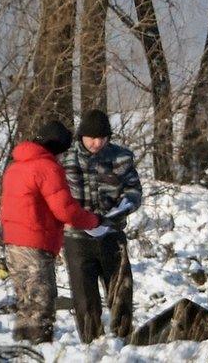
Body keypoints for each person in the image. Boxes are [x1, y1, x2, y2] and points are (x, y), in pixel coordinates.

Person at [0, 120, 101, 344]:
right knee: (41, 305)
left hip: (12, 244)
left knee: (26, 304)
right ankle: (38, 351)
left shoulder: (15, 166)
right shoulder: (46, 167)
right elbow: (66, 211)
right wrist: (93, 221)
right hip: (35, 244)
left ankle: (22, 352)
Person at [61, 109, 142, 342]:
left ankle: (124, 338)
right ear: (81, 136)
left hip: (112, 234)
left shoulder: (121, 158)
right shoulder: (65, 160)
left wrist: (121, 210)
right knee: (84, 296)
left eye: (102, 138)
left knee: (121, 291)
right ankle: (90, 342)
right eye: (91, 138)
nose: (97, 143)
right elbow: (57, 197)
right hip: (76, 237)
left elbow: (134, 191)